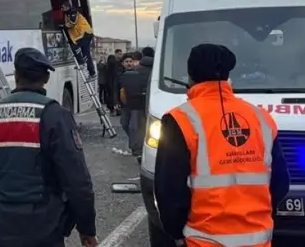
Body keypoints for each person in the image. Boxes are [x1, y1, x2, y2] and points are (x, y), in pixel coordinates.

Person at [154, 44, 290, 246]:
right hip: (258, 240)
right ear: (227, 75)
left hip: (204, 240)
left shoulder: (180, 119)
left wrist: (176, 230)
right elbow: (280, 182)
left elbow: (169, 189)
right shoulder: (261, 117)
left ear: (190, 76)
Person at [0, 47, 98, 247]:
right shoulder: (54, 114)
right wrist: (86, 228)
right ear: (46, 78)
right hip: (44, 226)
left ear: (16, 75)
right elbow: (76, 179)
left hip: (3, 225)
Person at [118, 52, 149, 162]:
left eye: (130, 61)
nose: (129, 63)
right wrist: (115, 102)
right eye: (126, 61)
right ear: (122, 63)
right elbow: (115, 88)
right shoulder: (119, 74)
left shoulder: (138, 73)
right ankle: (135, 143)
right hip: (125, 105)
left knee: (134, 126)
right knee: (124, 123)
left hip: (136, 104)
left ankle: (137, 148)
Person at [61, 2, 96, 77]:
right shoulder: (67, 14)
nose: (61, 9)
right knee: (86, 53)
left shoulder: (73, 12)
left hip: (84, 33)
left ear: (67, 7)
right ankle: (92, 72)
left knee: (74, 46)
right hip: (82, 35)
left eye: (63, 7)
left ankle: (81, 63)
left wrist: (63, 26)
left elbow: (73, 22)